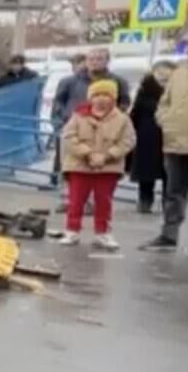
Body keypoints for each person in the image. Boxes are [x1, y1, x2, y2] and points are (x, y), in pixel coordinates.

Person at [58, 79, 136, 250]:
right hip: (79, 166)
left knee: (104, 201)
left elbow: (128, 141)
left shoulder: (123, 119)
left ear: (113, 98)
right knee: (76, 200)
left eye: (106, 95)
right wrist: (87, 153)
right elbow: (69, 137)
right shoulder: (78, 116)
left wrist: (108, 155)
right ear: (90, 98)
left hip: (108, 168)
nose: (101, 99)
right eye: (97, 95)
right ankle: (72, 230)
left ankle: (103, 233)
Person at [143, 60, 188, 253]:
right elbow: (165, 102)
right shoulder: (179, 73)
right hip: (176, 142)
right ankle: (169, 236)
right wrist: (166, 120)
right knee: (174, 193)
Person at [129, 60, 173, 214]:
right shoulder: (145, 89)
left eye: (167, 73)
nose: (163, 76)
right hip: (147, 135)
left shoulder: (180, 90)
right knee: (146, 171)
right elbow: (135, 112)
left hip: (171, 135)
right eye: (160, 72)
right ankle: (145, 200)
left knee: (171, 171)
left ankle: (169, 203)